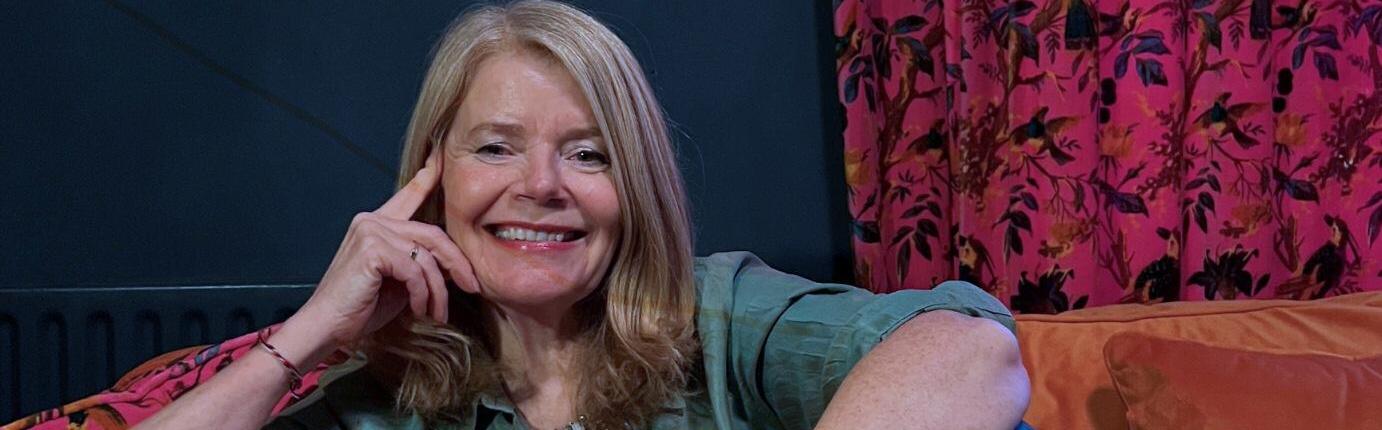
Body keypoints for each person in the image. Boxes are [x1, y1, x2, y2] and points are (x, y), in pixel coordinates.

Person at [48, 1, 1030, 429]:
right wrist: (306, 335)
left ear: (634, 187)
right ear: (430, 178)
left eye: (589, 153)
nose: (543, 184)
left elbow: (967, 350)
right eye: (494, 146)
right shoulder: (382, 400)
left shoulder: (719, 319)